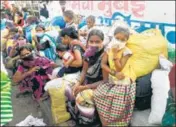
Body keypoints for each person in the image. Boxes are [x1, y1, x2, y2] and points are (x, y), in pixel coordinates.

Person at [94, 26, 135, 126]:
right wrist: (114, 74)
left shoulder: (127, 52)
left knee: (117, 111)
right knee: (98, 94)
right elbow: (103, 64)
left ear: (126, 41)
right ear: (113, 37)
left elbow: (119, 68)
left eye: (123, 40)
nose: (119, 41)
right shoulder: (108, 49)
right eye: (117, 38)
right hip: (114, 80)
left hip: (124, 83)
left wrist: (115, 54)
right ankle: (105, 123)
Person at [70, 29, 106, 125]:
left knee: (83, 96)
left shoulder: (105, 56)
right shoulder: (87, 54)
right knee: (71, 87)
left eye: (97, 42)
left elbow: (105, 80)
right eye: (91, 41)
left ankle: (91, 122)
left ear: (103, 42)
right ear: (87, 42)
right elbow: (84, 71)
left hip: (102, 85)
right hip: (88, 81)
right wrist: (78, 83)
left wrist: (85, 87)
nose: (94, 44)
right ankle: (80, 118)